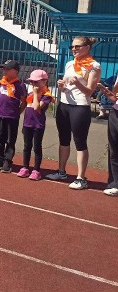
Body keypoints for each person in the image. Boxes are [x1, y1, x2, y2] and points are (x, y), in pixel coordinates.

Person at [47, 37, 101, 189]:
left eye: (77, 46)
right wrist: (61, 86)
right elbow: (65, 87)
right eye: (72, 47)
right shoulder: (70, 63)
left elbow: (89, 91)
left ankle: (80, 178)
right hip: (64, 105)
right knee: (63, 139)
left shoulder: (94, 66)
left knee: (80, 141)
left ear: (87, 47)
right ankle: (61, 171)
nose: (74, 49)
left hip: (80, 107)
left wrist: (77, 83)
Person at [0, 60, 27, 173]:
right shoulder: (1, 82)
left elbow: (24, 101)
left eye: (7, 69)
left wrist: (17, 112)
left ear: (15, 71)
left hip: (12, 116)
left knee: (10, 139)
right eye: (3, 69)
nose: (4, 71)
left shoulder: (20, 85)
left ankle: (8, 161)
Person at [18, 69, 53, 181]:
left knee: (37, 147)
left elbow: (37, 108)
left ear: (44, 81)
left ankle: (36, 170)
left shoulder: (46, 95)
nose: (33, 84)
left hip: (38, 125)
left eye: (36, 82)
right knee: (26, 146)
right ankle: (25, 167)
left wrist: (36, 94)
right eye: (32, 82)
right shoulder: (31, 94)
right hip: (27, 123)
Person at [97, 78, 118, 196]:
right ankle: (114, 183)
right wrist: (106, 92)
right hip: (115, 112)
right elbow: (115, 98)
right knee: (113, 150)